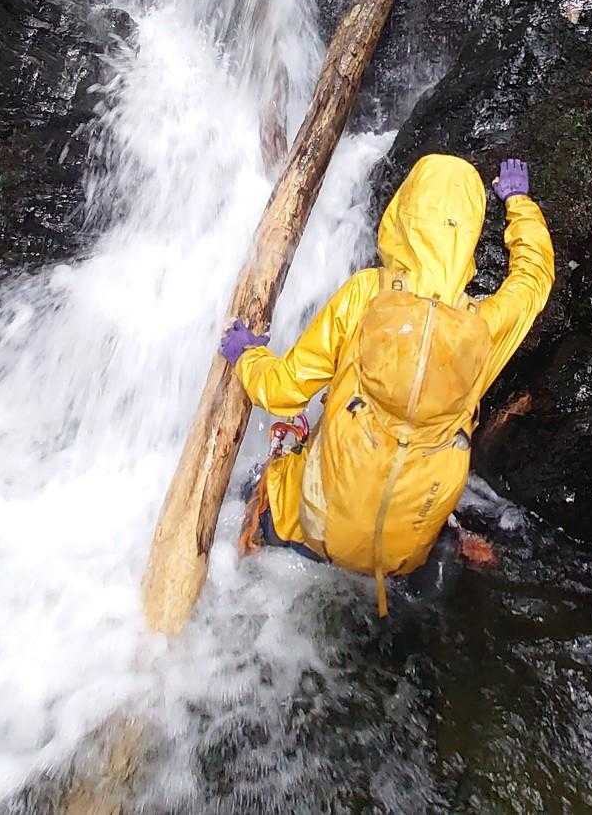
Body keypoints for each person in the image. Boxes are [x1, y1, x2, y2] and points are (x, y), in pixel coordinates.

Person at [220, 152, 554, 613]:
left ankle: (262, 537)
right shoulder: (482, 329)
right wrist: (518, 202)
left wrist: (246, 356)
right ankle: (429, 567)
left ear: (403, 212)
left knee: (258, 485)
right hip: (401, 557)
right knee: (426, 513)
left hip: (318, 531)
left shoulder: (366, 296)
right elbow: (534, 281)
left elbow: (281, 391)